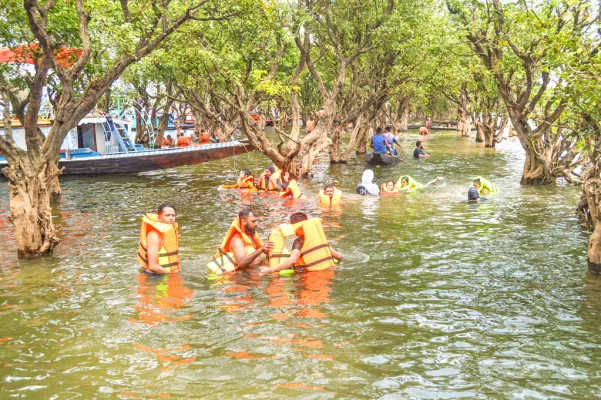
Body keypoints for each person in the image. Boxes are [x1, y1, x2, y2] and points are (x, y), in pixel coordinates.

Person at [260, 212, 343, 274]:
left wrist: (271, 270)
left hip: (309, 277)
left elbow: (292, 260)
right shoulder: (319, 237)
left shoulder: (299, 241)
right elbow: (339, 256)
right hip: (329, 273)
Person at [207, 208, 274, 274]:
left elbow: (262, 248)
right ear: (244, 221)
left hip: (255, 271)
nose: (256, 224)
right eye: (253, 221)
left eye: (257, 221)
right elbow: (241, 264)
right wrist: (261, 250)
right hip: (243, 278)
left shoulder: (251, 235)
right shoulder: (237, 240)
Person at [137, 204, 180, 275]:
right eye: (167, 215)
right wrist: (172, 276)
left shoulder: (170, 231)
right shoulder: (154, 235)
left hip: (167, 273)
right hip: (155, 276)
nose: (171, 218)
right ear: (159, 218)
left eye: (173, 215)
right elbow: (153, 267)